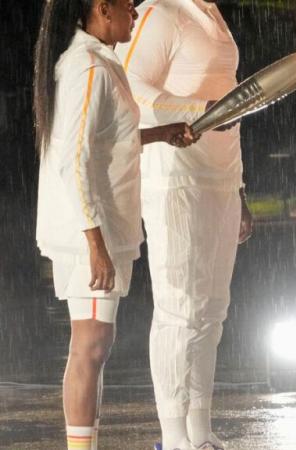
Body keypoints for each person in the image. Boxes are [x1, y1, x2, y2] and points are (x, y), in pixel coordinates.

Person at [33, 1, 197, 449]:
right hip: (87, 233)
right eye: (128, 5)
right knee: (90, 346)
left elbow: (109, 138)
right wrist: (94, 242)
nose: (136, 13)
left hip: (103, 228)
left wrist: (160, 134)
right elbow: (73, 160)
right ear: (102, 9)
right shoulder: (87, 68)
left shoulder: (100, 62)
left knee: (96, 345)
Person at [114, 1, 253, 449]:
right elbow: (129, 90)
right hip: (175, 177)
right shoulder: (158, 11)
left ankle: (199, 430)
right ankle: (173, 436)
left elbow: (228, 98)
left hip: (221, 178)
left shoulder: (211, 14)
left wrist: (240, 190)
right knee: (180, 311)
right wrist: (200, 110)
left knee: (212, 312)